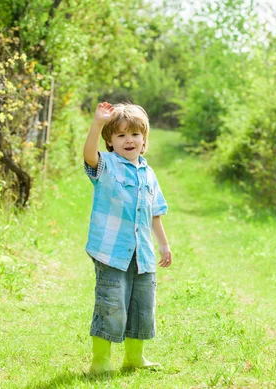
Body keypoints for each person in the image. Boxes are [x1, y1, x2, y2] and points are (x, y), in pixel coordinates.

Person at [83, 102, 172, 374]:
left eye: (134, 134)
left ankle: (135, 358)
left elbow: (154, 213)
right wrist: (98, 123)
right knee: (111, 305)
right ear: (110, 141)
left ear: (144, 139)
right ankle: (100, 361)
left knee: (142, 307)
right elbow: (89, 156)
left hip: (141, 253)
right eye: (120, 135)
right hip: (111, 252)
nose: (128, 140)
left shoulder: (148, 173)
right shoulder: (106, 165)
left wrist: (163, 244)